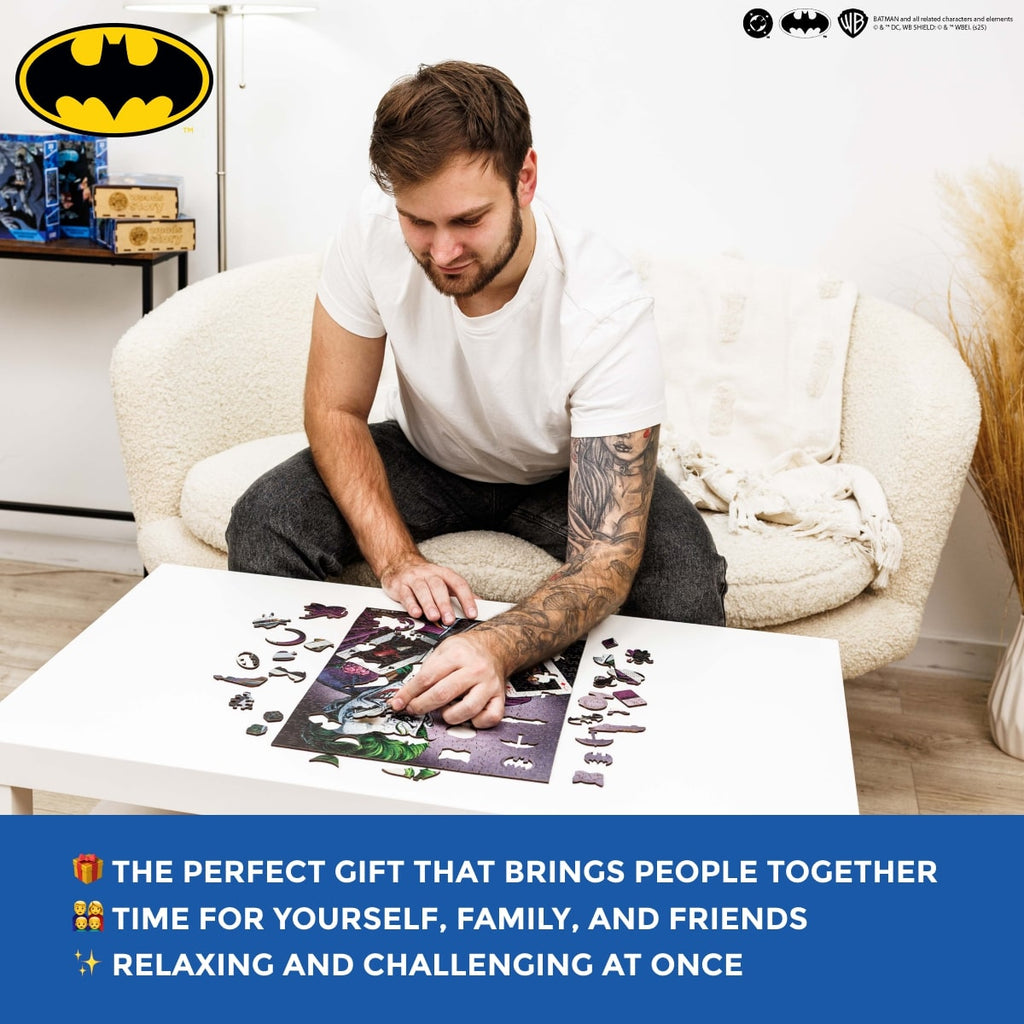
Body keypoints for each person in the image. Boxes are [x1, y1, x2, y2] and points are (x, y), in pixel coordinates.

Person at [227, 61, 726, 730]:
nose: (442, 251)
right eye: (419, 223)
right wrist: (397, 558)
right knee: (265, 518)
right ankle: (285, 743)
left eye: (467, 220)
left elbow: (603, 562)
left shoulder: (604, 305)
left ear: (525, 178)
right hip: (427, 451)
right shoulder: (371, 234)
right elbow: (334, 408)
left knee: (685, 589)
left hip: (562, 470)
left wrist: (495, 645)